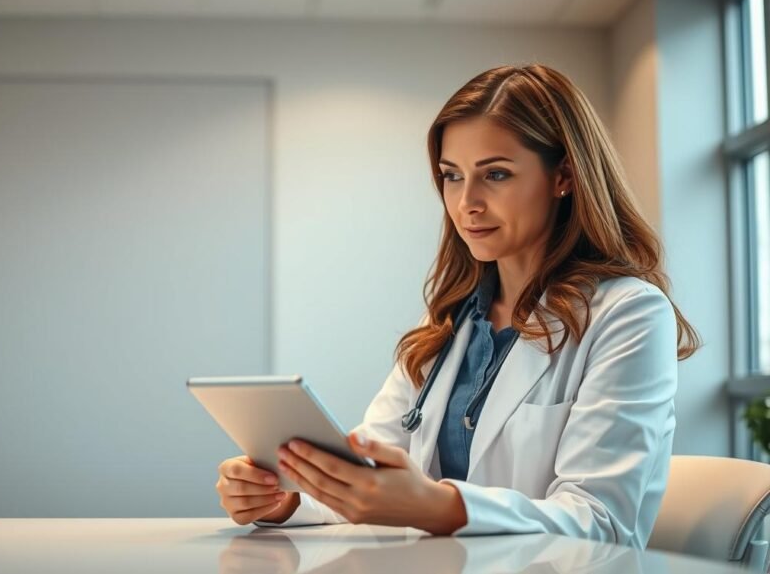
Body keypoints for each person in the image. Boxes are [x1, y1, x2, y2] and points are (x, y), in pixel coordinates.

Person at [213, 63, 700, 549]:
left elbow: (602, 522)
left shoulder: (629, 315)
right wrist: (289, 497)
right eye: (451, 176)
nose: (467, 201)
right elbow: (373, 471)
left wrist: (436, 505)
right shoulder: (450, 321)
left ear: (564, 177)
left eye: (496, 174)